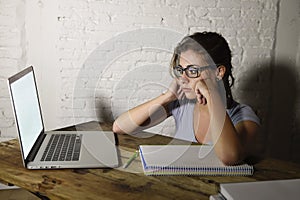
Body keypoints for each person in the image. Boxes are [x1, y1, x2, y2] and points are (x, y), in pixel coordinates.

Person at [113, 32, 261, 165]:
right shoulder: (182, 105)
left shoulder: (243, 115)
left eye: (192, 70)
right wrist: (167, 97)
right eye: (180, 70)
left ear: (219, 72)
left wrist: (211, 94)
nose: (183, 78)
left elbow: (230, 157)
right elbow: (120, 127)